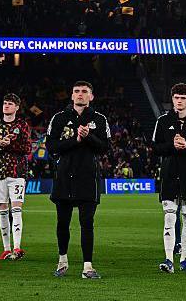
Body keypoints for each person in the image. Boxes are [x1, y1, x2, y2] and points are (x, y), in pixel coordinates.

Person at [45, 81, 111, 279]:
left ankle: (87, 267)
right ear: (72, 95)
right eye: (76, 91)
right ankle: (62, 261)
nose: (80, 94)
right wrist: (76, 140)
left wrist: (89, 136)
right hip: (64, 176)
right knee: (62, 222)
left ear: (91, 96)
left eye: (84, 91)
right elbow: (51, 147)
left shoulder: (99, 119)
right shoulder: (59, 118)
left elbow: (105, 148)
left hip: (88, 177)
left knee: (87, 222)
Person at [151, 82, 186, 272]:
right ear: (172, 99)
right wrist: (172, 146)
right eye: (176, 98)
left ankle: (184, 259)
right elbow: (155, 147)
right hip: (169, 174)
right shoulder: (163, 121)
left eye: (183, 98)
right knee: (169, 218)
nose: (179, 101)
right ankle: (169, 259)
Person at [0, 93, 33, 260]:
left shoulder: (22, 125)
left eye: (10, 104)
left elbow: (28, 148)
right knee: (2, 211)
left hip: (17, 172)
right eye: (5, 103)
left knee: (16, 210)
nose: (6, 106)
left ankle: (17, 247)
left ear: (17, 107)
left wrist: (10, 144)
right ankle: (6, 249)